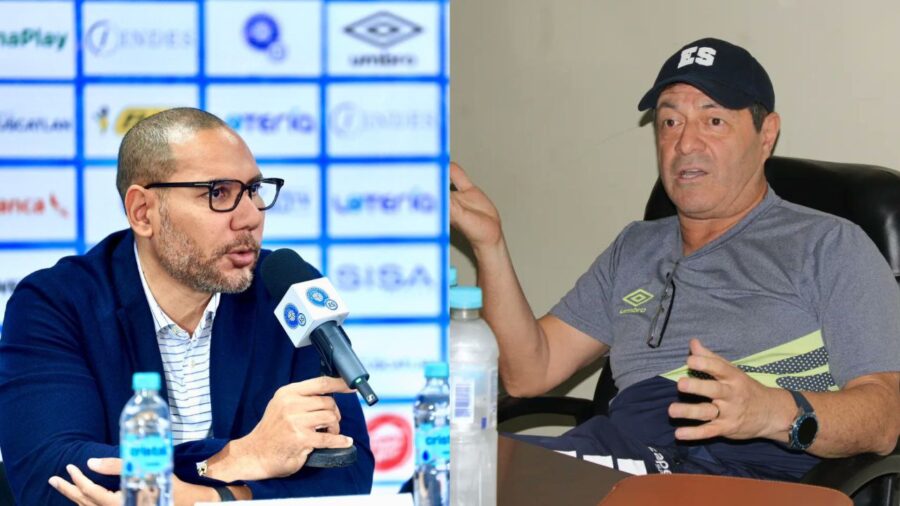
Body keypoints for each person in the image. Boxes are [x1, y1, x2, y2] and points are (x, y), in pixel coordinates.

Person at [450, 37, 900, 479]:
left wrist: (771, 411)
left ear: (766, 135)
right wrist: (490, 245)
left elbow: (884, 417)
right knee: (451, 463)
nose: (685, 143)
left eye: (714, 121)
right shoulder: (635, 247)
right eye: (669, 122)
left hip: (740, 472)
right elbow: (529, 373)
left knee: (485, 477)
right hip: (628, 455)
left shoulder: (828, 244)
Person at [0, 108, 374, 504]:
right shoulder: (56, 304)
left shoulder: (285, 291)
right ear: (143, 212)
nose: (251, 216)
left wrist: (213, 498)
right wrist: (237, 457)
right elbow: (53, 472)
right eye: (218, 193)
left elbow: (347, 471)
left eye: (253, 189)